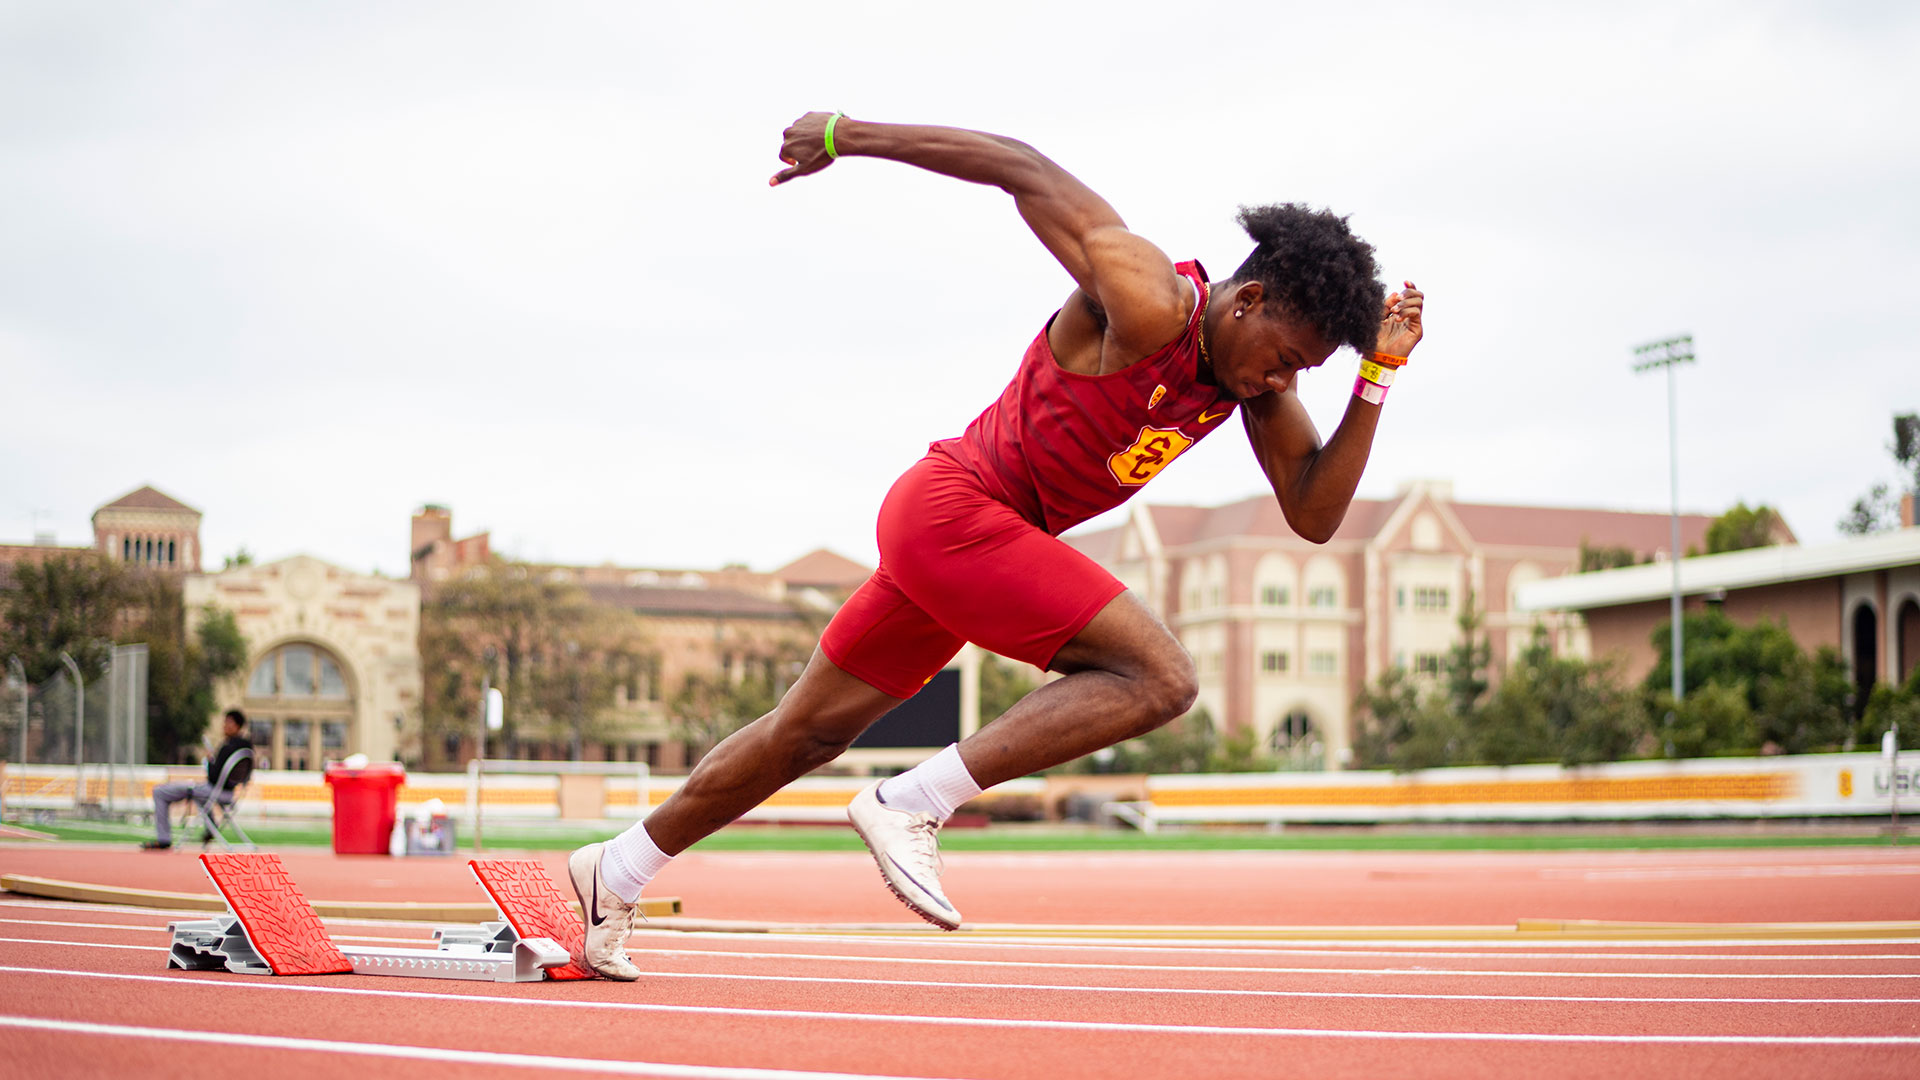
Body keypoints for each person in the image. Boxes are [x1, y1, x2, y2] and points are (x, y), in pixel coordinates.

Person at [568, 112, 1425, 979]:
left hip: (974, 546)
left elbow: (1314, 512)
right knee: (1162, 676)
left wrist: (1375, 377)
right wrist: (845, 134)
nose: (1282, 382)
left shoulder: (1245, 386)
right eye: (1284, 359)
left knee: (805, 733)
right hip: (955, 510)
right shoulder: (1152, 298)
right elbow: (1021, 167)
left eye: (1300, 374)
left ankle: (617, 868)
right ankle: (912, 803)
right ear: (1247, 302)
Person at [142, 708, 253, 850]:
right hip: (231, 794)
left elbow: (213, 777)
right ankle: (211, 829)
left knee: (159, 792)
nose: (224, 726)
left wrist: (210, 760)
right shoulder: (248, 749)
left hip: (215, 791)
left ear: (237, 726)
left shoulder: (228, 748)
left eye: (227, 723)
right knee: (201, 795)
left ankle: (164, 839)